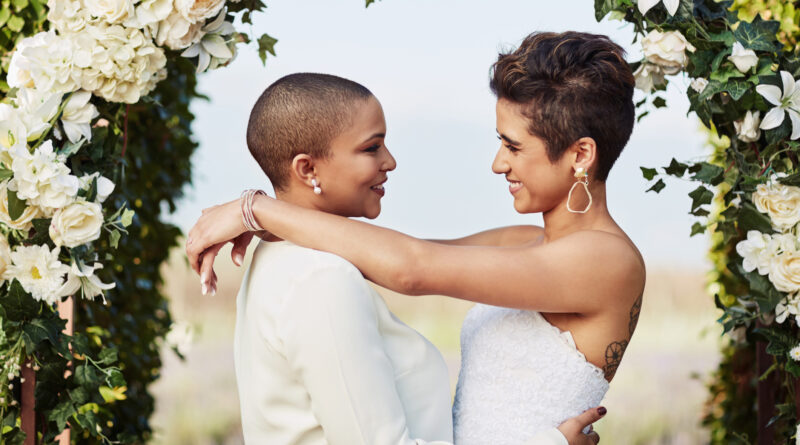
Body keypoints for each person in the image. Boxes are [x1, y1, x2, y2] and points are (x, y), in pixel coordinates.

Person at [187, 31, 644, 444]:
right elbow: (395, 251)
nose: (498, 164)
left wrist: (255, 208)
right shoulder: (523, 239)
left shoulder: (606, 261)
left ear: (580, 154)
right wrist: (274, 221)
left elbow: (412, 269)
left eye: (514, 146)